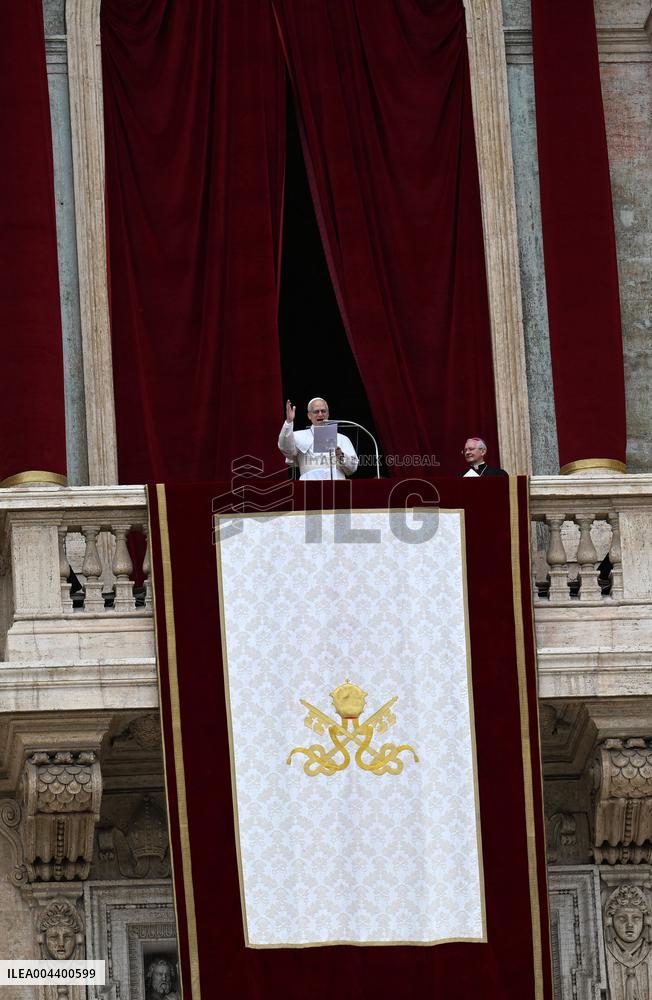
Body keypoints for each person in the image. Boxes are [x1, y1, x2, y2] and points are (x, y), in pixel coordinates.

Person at [278, 398, 359, 480]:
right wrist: (288, 422)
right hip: (309, 484)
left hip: (337, 484)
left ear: (328, 414)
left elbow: (353, 468)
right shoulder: (298, 436)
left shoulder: (342, 438)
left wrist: (341, 455)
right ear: (309, 415)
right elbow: (285, 448)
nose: (320, 414)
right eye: (316, 411)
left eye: (323, 411)